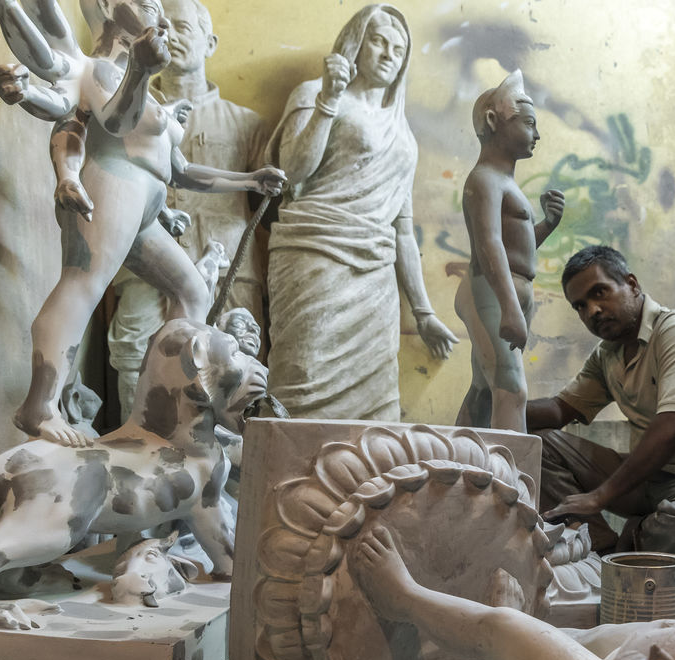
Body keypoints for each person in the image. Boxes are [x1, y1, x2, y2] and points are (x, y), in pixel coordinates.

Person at [0, 0, 285, 447]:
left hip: (144, 205)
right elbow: (114, 120)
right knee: (81, 286)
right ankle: (39, 406)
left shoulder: (143, 85)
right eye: (149, 5)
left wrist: (249, 180)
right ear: (109, 7)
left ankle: (173, 405)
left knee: (193, 291)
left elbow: (180, 170)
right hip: (112, 187)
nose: (160, 18)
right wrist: (142, 72)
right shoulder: (100, 70)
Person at [267, 4, 459, 422]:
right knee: (303, 373)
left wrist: (423, 312)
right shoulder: (313, 93)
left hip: (375, 277)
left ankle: (367, 462)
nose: (389, 54)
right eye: (378, 41)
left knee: (375, 403)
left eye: (399, 49)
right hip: (315, 257)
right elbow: (293, 170)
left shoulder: (402, 133)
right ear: (356, 43)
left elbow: (402, 229)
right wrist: (329, 100)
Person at [527, 246, 675, 573]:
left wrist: (600, 496)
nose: (592, 310)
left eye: (600, 293)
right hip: (647, 479)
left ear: (632, 285)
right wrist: (497, 402)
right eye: (580, 306)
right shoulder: (607, 354)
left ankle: (628, 545)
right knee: (540, 443)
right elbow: (558, 411)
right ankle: (601, 553)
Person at [108, 0, 271, 412]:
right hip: (145, 256)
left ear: (210, 43)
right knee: (134, 351)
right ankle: (135, 438)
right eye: (162, 26)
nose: (171, 35)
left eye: (182, 27)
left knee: (234, 360)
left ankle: (230, 450)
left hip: (229, 263)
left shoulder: (246, 124)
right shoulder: (129, 110)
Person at [454, 70, 564, 433]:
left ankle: (461, 457)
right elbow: (489, 244)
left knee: (485, 389)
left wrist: (547, 225)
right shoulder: (484, 179)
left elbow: (516, 249)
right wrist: (510, 308)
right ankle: (512, 468)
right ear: (493, 121)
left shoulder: (501, 181)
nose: (537, 134)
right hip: (493, 291)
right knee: (511, 388)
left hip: (504, 291)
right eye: (529, 123)